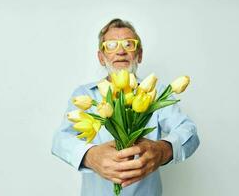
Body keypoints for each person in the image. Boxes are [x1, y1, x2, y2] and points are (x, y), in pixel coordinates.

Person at [51, 18, 200, 196]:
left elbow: (189, 131)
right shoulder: (85, 95)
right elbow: (60, 139)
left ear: (140, 54)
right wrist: (90, 156)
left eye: (129, 44)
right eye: (111, 45)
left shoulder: (155, 93)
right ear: (101, 57)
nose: (121, 51)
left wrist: (163, 150)